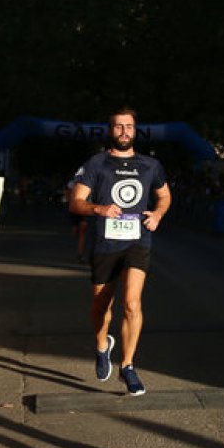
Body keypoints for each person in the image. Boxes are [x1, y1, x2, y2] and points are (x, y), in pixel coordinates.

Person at [68, 107, 172, 395]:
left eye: (129, 127)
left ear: (135, 130)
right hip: (105, 243)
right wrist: (98, 208)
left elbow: (164, 196)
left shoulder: (150, 165)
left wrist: (158, 214)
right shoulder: (96, 164)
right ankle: (103, 345)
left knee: (131, 303)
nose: (124, 132)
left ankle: (127, 366)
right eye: (118, 127)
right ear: (110, 130)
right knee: (101, 306)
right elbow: (76, 202)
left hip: (137, 241)